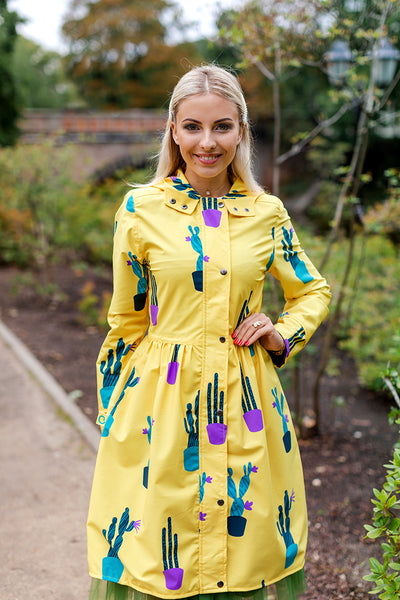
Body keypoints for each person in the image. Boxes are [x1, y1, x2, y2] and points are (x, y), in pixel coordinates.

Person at [87, 64, 331, 600]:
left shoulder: (267, 214)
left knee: (243, 540)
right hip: (161, 401)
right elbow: (125, 320)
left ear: (240, 130)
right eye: (193, 127)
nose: (207, 142)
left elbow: (312, 290)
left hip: (246, 401)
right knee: (158, 541)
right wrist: (113, 410)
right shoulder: (140, 210)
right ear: (173, 130)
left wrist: (281, 333)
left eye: (222, 126)